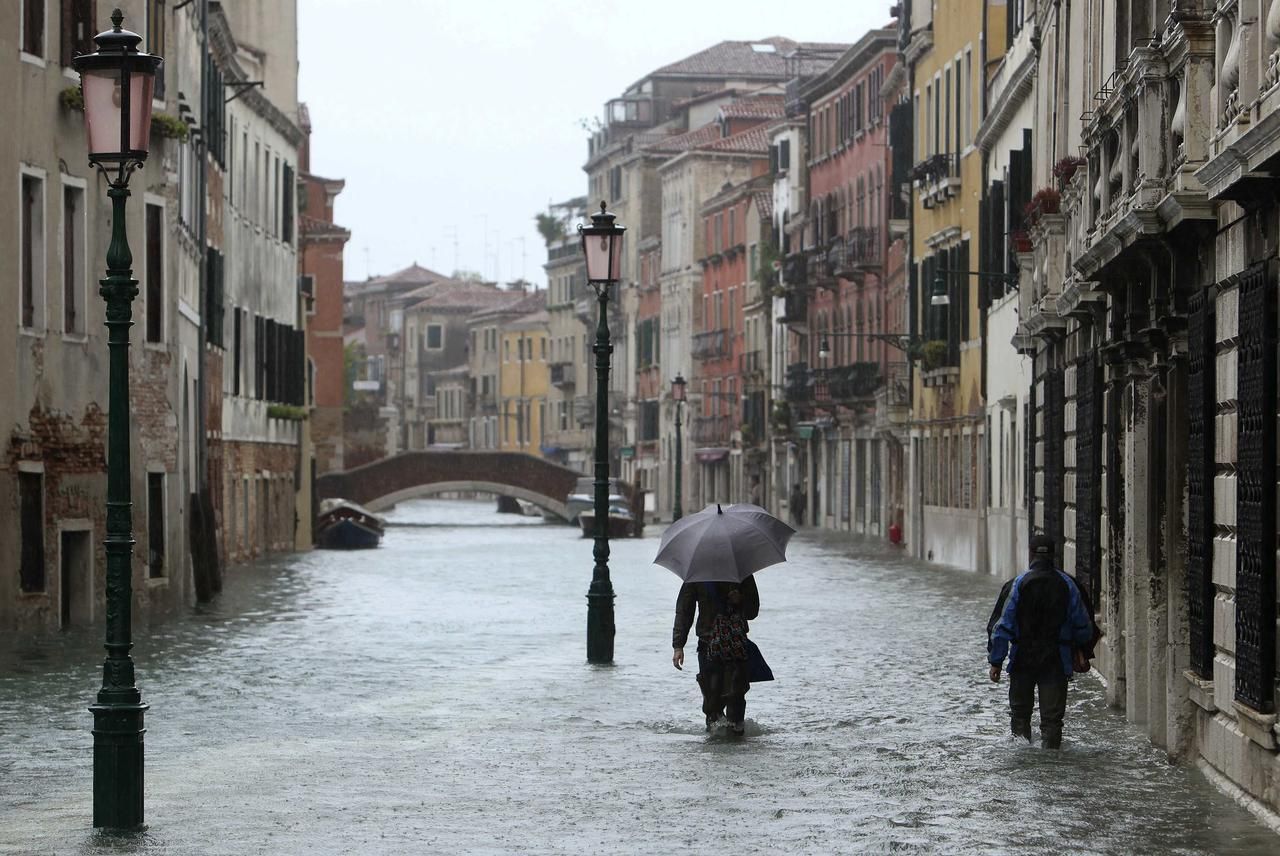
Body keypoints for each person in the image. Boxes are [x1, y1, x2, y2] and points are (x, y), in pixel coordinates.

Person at [987, 535, 1094, 749]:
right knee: (1052, 721)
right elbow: (1083, 624)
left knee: (1019, 716)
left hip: (1022, 659)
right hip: (1056, 660)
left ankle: (1024, 758)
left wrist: (996, 661)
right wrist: (1081, 648)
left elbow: (1001, 627)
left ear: (1030, 553)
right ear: (1054, 555)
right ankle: (1052, 760)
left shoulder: (1017, 584)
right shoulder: (1068, 585)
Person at [672, 576, 760, 735]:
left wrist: (740, 600)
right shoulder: (696, 574)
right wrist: (678, 645)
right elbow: (685, 611)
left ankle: (736, 741)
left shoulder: (742, 572)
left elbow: (753, 611)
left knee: (736, 698)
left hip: (736, 644)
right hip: (708, 644)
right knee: (712, 702)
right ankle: (714, 745)